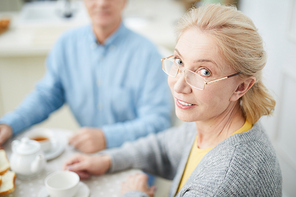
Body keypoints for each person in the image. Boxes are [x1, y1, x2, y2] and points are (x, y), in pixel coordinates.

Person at [63, 4, 282, 197]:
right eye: (178, 61)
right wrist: (108, 160)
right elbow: (162, 148)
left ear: (241, 87)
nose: (178, 85)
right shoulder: (215, 122)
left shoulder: (220, 184)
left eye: (204, 71)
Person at [0, 0, 172, 154]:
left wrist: (106, 137)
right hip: (86, 156)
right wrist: (10, 124)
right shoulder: (66, 44)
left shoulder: (147, 53)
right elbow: (47, 96)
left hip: (134, 157)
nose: (102, 3)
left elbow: (158, 121)